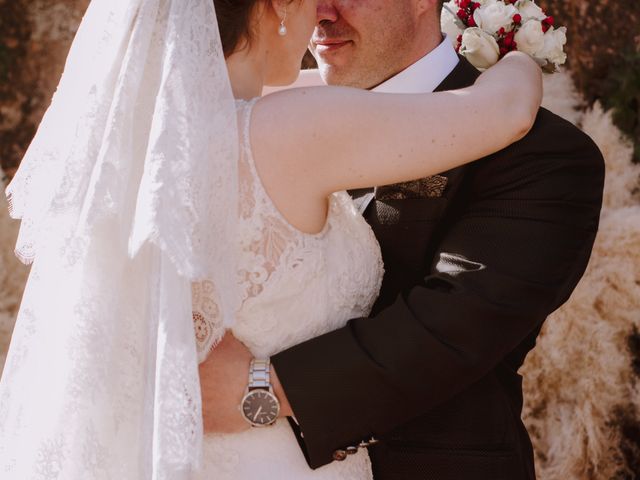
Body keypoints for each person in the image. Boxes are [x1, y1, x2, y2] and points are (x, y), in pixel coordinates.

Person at [0, 0, 541, 478]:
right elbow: (510, 112)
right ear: (279, 4)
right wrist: (514, 53)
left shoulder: (149, 143)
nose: (323, 13)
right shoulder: (293, 128)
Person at [200, 0, 605, 479]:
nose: (319, 13)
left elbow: (449, 330)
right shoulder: (255, 119)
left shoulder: (543, 155)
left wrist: (261, 392)